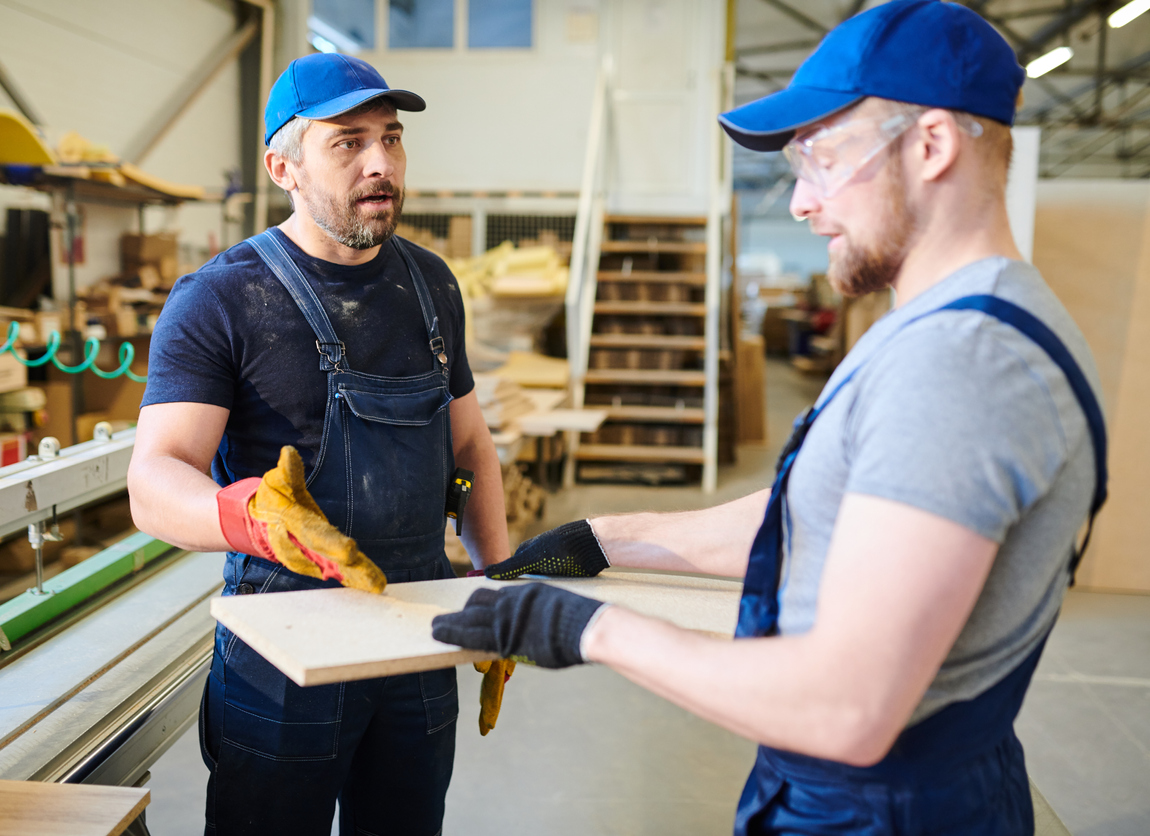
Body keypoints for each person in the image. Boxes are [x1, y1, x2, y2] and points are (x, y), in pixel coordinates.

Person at [432, 1, 1108, 833]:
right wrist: (604, 538)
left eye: (821, 156)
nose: (799, 201)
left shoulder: (961, 364)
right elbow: (814, 517)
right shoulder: (948, 328)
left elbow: (847, 709)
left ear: (932, 145)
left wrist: (588, 630)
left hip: (884, 810)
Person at [128, 53, 509, 835]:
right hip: (284, 643)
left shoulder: (432, 283)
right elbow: (155, 479)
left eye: (392, 139)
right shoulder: (223, 298)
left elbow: (469, 447)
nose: (381, 164)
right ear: (284, 166)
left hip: (417, 629)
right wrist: (253, 522)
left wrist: (493, 579)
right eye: (348, 143)